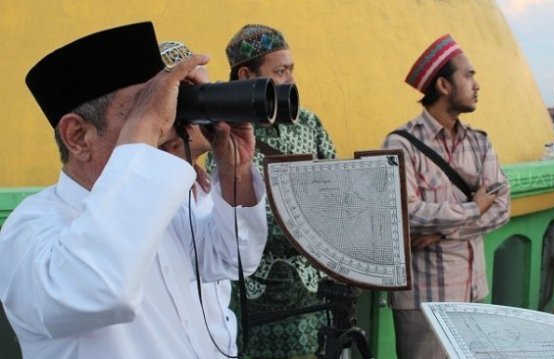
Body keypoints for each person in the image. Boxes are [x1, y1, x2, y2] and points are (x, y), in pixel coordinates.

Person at [0, 22, 268, 359]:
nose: (166, 123)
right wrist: (146, 127)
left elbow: (234, 257)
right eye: (147, 110)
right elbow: (97, 287)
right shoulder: (29, 230)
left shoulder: (167, 204)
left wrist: (236, 171)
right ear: (78, 137)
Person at [209, 24, 337, 358]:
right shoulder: (221, 132)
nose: (291, 80)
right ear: (246, 76)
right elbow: (224, 214)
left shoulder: (310, 124)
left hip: (311, 291)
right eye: (280, 72)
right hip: (252, 295)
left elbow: (337, 192)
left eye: (291, 69)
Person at [382, 34, 510, 359]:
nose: (477, 84)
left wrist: (441, 231)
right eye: (468, 75)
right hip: (425, 299)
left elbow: (501, 207)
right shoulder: (402, 144)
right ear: (443, 85)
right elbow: (406, 213)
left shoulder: (479, 142)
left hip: (473, 291)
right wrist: (473, 208)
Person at [158, 40, 245, 358]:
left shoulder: (205, 186)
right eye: (195, 96)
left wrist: (235, 171)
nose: (209, 107)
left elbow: (236, 261)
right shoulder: (142, 193)